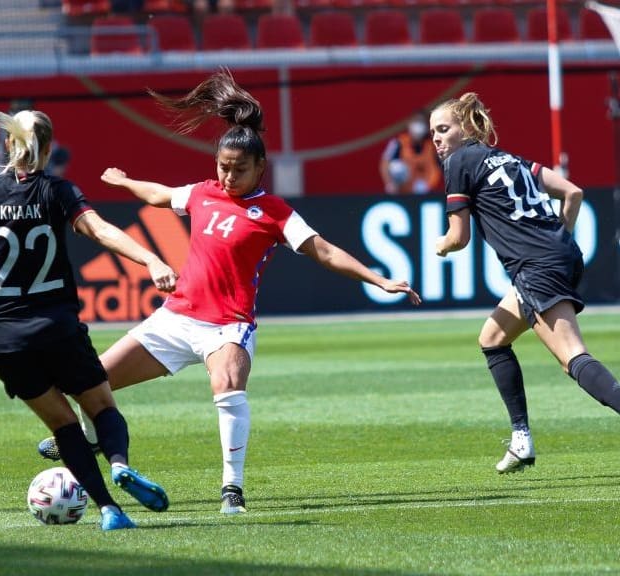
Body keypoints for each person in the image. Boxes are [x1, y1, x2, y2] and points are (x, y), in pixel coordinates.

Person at [37, 69, 422, 514]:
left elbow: (323, 250)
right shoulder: (203, 193)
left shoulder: (274, 212)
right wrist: (125, 183)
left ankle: (232, 490)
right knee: (92, 379)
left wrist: (377, 278)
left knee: (227, 385)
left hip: (227, 326)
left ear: (261, 167)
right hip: (176, 318)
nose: (228, 176)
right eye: (223, 166)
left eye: (239, 169)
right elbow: (160, 195)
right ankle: (90, 438)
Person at [0, 109, 179, 530]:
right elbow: (100, 230)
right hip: (56, 327)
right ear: (48, 149)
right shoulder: (58, 191)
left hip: (3, 338)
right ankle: (119, 464)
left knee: (62, 424)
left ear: (9, 146)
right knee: (101, 405)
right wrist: (151, 257)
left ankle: (109, 510)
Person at [430, 92, 620, 473]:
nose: (436, 138)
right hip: (561, 257)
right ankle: (521, 439)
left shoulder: (459, 161)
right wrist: (558, 239)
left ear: (466, 128)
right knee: (492, 338)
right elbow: (573, 192)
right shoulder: (511, 159)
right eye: (432, 132)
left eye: (443, 129)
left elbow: (459, 236)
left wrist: (441, 246)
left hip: (536, 267)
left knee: (573, 359)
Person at [380, 111, 442, 195]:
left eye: (421, 122)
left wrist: (429, 185)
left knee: (420, 188)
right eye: (416, 121)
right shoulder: (398, 142)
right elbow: (385, 163)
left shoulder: (432, 145)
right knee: (396, 167)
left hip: (422, 187)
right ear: (409, 124)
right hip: (402, 186)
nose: (418, 126)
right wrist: (389, 183)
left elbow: (437, 168)